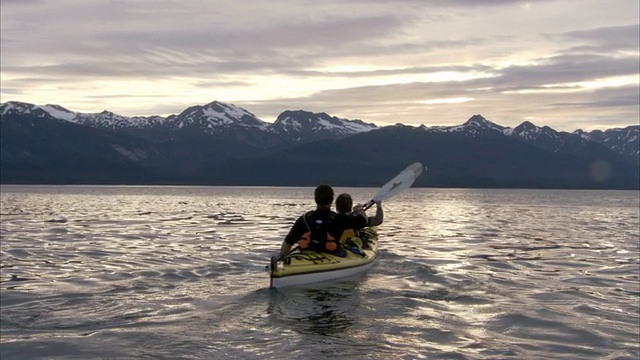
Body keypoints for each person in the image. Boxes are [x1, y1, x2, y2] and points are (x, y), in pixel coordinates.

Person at [276, 185, 368, 260]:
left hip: (305, 257)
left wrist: (281, 260)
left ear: (315, 200)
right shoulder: (340, 218)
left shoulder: (305, 219)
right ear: (332, 200)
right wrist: (359, 210)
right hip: (331, 257)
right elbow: (363, 221)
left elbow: (288, 242)